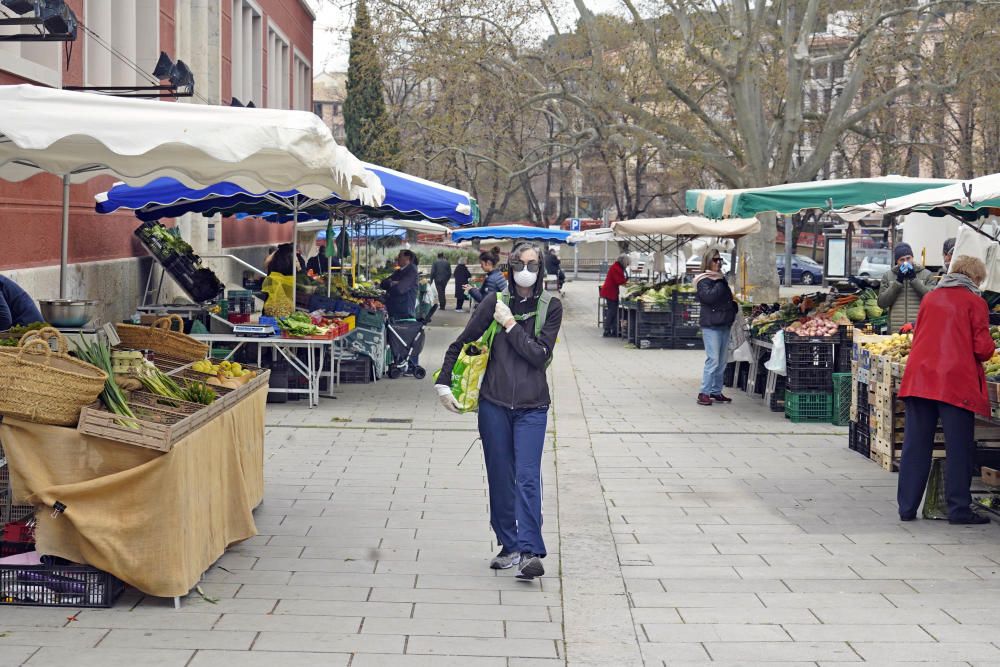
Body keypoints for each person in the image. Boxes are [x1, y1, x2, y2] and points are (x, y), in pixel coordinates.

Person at [435, 242, 563, 581]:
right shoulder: (495, 301)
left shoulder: (551, 307)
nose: (526, 269)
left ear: (541, 269)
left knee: (526, 477)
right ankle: (508, 544)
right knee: (499, 475)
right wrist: (444, 381)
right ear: (509, 266)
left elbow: (538, 355)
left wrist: (509, 325)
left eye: (533, 264)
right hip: (494, 404)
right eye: (520, 263)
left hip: (533, 406)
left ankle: (530, 551)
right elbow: (462, 341)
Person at [897, 256, 994, 525]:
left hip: (919, 379)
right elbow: (983, 349)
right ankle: (958, 510)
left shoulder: (930, 298)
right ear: (974, 278)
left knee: (916, 446)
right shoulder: (975, 302)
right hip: (954, 382)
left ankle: (906, 507)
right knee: (958, 448)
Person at [694, 249, 737, 406]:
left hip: (724, 322)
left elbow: (725, 298)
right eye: (715, 260)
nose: (718, 262)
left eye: (720, 260)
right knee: (713, 359)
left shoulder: (720, 278)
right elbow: (709, 297)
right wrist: (720, 282)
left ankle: (716, 391)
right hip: (711, 325)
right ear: (708, 261)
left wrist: (733, 307)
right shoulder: (703, 280)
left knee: (722, 360)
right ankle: (703, 393)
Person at [878, 243, 932, 331]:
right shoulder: (888, 276)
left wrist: (914, 280)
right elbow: (882, 303)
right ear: (897, 262)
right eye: (902, 260)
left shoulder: (927, 274)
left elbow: (932, 299)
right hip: (895, 330)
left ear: (912, 258)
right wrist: (898, 282)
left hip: (919, 329)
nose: (906, 262)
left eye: (908, 258)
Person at [380, 249, 419, 320]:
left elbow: (400, 289)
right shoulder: (399, 271)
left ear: (407, 258)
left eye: (400, 256)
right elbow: (383, 284)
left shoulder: (412, 270)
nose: (397, 258)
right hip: (395, 309)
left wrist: (392, 284)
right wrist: (392, 283)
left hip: (403, 312)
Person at [599, 254, 629, 337]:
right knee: (611, 311)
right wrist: (627, 283)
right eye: (627, 263)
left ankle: (614, 330)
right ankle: (607, 329)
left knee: (613, 311)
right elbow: (620, 281)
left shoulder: (616, 267)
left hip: (611, 291)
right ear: (623, 262)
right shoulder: (616, 268)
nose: (627, 265)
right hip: (610, 292)